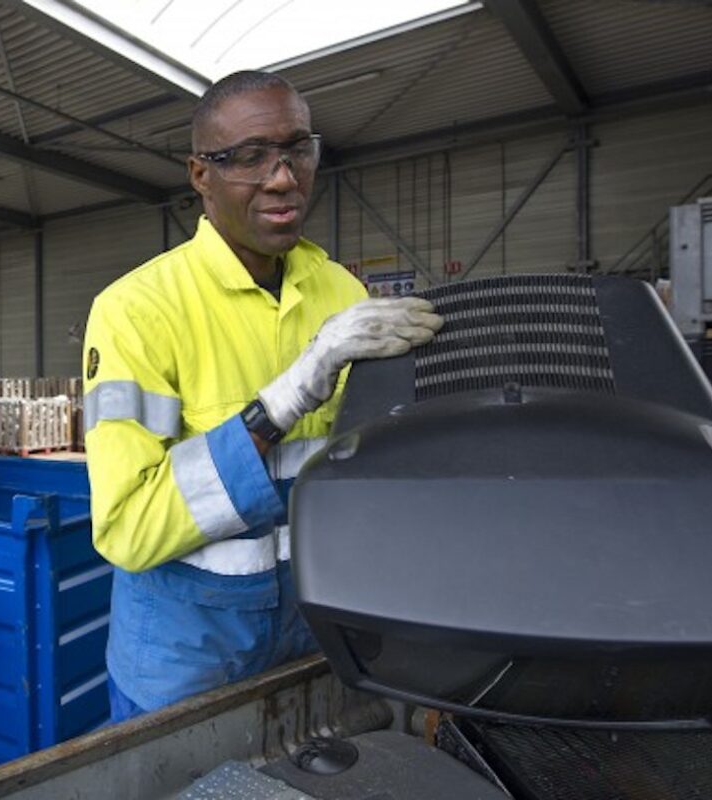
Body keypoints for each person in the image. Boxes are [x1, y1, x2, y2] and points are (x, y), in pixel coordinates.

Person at [81, 71, 442, 721]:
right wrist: (285, 401)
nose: (282, 178)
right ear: (200, 175)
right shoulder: (136, 311)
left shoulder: (342, 295)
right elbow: (129, 528)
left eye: (298, 150)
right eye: (249, 158)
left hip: (318, 632)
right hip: (186, 658)